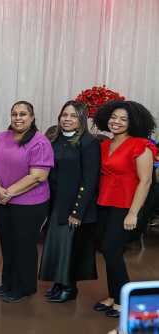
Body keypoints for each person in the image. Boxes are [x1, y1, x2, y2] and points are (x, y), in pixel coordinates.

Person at [92, 100, 156, 318]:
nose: (116, 122)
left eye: (123, 119)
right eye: (114, 117)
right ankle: (113, 295)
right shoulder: (104, 145)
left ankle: (124, 299)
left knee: (112, 250)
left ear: (133, 122)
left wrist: (133, 213)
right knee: (109, 251)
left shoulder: (140, 145)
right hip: (104, 203)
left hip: (125, 205)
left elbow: (145, 181)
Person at [0, 101, 54, 303]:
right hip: (2, 200)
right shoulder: (1, 137)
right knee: (7, 244)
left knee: (23, 245)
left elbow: (38, 176)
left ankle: (23, 287)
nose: (18, 117)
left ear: (32, 117)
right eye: (14, 113)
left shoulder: (40, 142)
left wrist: (9, 192)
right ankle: (8, 282)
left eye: (23, 114)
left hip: (30, 205)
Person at [39, 101, 100, 303]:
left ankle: (69, 287)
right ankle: (58, 283)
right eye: (64, 115)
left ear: (81, 119)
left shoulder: (88, 143)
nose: (67, 119)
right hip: (56, 204)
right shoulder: (54, 139)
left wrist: (78, 212)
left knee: (70, 249)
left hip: (74, 206)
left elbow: (90, 180)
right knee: (56, 246)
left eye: (73, 116)